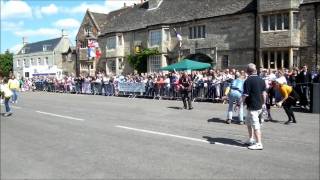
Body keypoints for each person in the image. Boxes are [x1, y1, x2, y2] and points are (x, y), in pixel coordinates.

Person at [239, 63, 266, 150]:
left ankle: (259, 143)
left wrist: (239, 103)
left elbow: (245, 95)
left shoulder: (248, 81)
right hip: (258, 106)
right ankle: (251, 139)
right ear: (255, 71)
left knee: (255, 125)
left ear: (247, 71)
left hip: (253, 106)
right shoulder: (261, 80)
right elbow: (264, 94)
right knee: (248, 122)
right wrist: (263, 103)